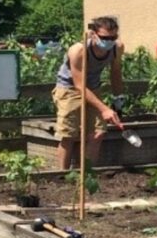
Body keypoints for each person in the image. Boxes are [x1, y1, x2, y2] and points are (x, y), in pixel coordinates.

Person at [53, 16, 125, 170]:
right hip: (70, 88)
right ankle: (61, 175)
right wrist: (104, 108)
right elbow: (79, 84)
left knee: (98, 132)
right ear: (93, 34)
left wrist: (118, 98)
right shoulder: (78, 50)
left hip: (93, 88)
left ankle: (86, 174)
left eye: (114, 37)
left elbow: (116, 72)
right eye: (105, 37)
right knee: (69, 134)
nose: (110, 41)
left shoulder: (117, 48)